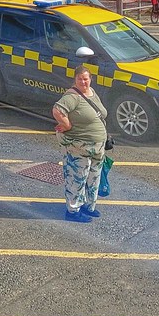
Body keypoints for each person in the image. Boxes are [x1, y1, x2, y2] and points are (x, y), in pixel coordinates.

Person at [52, 65, 108, 222]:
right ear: (75, 80)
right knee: (77, 178)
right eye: (80, 79)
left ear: (91, 79)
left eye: (86, 78)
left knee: (93, 178)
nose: (83, 82)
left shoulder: (92, 93)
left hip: (97, 146)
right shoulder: (72, 96)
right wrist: (67, 125)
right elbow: (57, 110)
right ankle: (72, 211)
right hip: (79, 146)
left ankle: (88, 206)